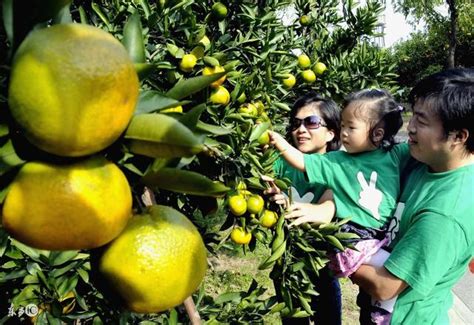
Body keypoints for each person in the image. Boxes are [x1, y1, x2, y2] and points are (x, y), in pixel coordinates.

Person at [269, 89, 410, 324]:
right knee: (391, 275)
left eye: (350, 127)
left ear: (377, 133)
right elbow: (302, 163)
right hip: (354, 236)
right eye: (343, 126)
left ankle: (381, 311)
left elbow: (425, 149)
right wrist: (279, 143)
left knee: (390, 278)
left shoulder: (393, 155)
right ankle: (382, 313)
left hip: (379, 236)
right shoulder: (337, 162)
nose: (344, 133)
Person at [352, 68, 474, 324]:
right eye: (412, 116)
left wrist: (335, 252)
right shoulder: (423, 159)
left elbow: (385, 286)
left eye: (422, 121)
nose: (411, 128)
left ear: (459, 136)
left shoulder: (444, 215)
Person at [266, 93, 343, 324]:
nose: (301, 129)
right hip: (286, 266)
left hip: (322, 268)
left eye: (311, 122)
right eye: (296, 123)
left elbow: (328, 210)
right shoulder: (279, 162)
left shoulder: (340, 167)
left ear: (331, 132)